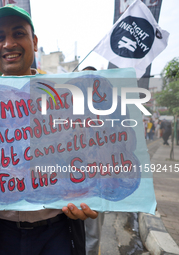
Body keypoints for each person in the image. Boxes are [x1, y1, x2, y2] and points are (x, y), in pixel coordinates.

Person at [0, 5, 98, 255]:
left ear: (34, 42)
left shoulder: (65, 98)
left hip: (57, 233)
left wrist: (93, 195)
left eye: (18, 34)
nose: (8, 43)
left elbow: (91, 158)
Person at [81, 66, 105, 255]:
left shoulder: (108, 112)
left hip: (97, 181)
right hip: (71, 181)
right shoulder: (65, 109)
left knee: (92, 230)